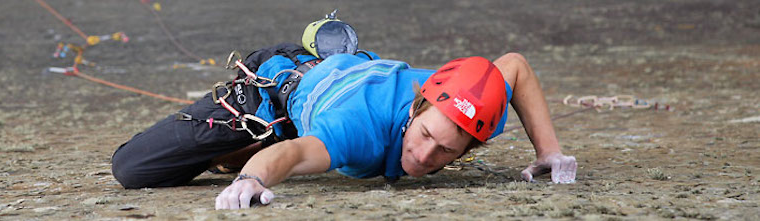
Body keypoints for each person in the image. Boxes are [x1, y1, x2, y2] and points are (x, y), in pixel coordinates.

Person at [110, 14, 577, 210]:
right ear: (418, 104)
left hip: (348, 74)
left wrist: (549, 152)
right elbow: (292, 155)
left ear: (470, 144)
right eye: (425, 135)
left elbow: (513, 66)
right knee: (133, 168)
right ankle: (250, 134)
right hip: (274, 87)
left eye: (444, 153)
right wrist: (249, 181)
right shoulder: (361, 132)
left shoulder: (474, 106)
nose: (424, 155)